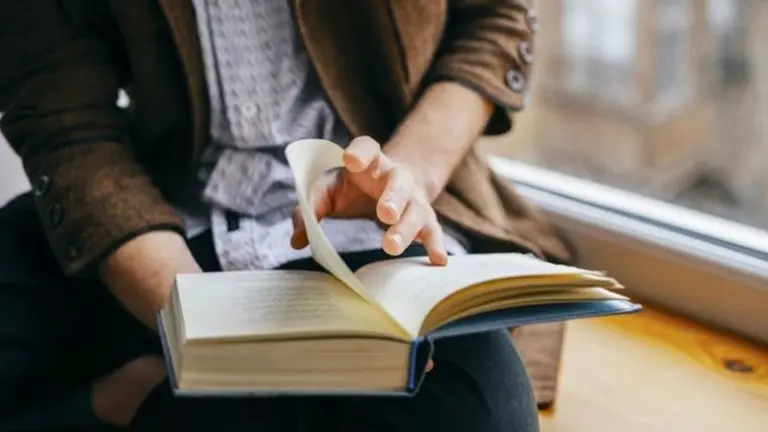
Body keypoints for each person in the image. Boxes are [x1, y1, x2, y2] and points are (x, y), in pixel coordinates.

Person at [0, 0, 570, 430]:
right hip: (160, 218)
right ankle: (142, 395)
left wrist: (406, 176)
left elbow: (495, 17)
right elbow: (64, 119)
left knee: (475, 409)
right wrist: (206, 336)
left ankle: (137, 394)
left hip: (373, 222)